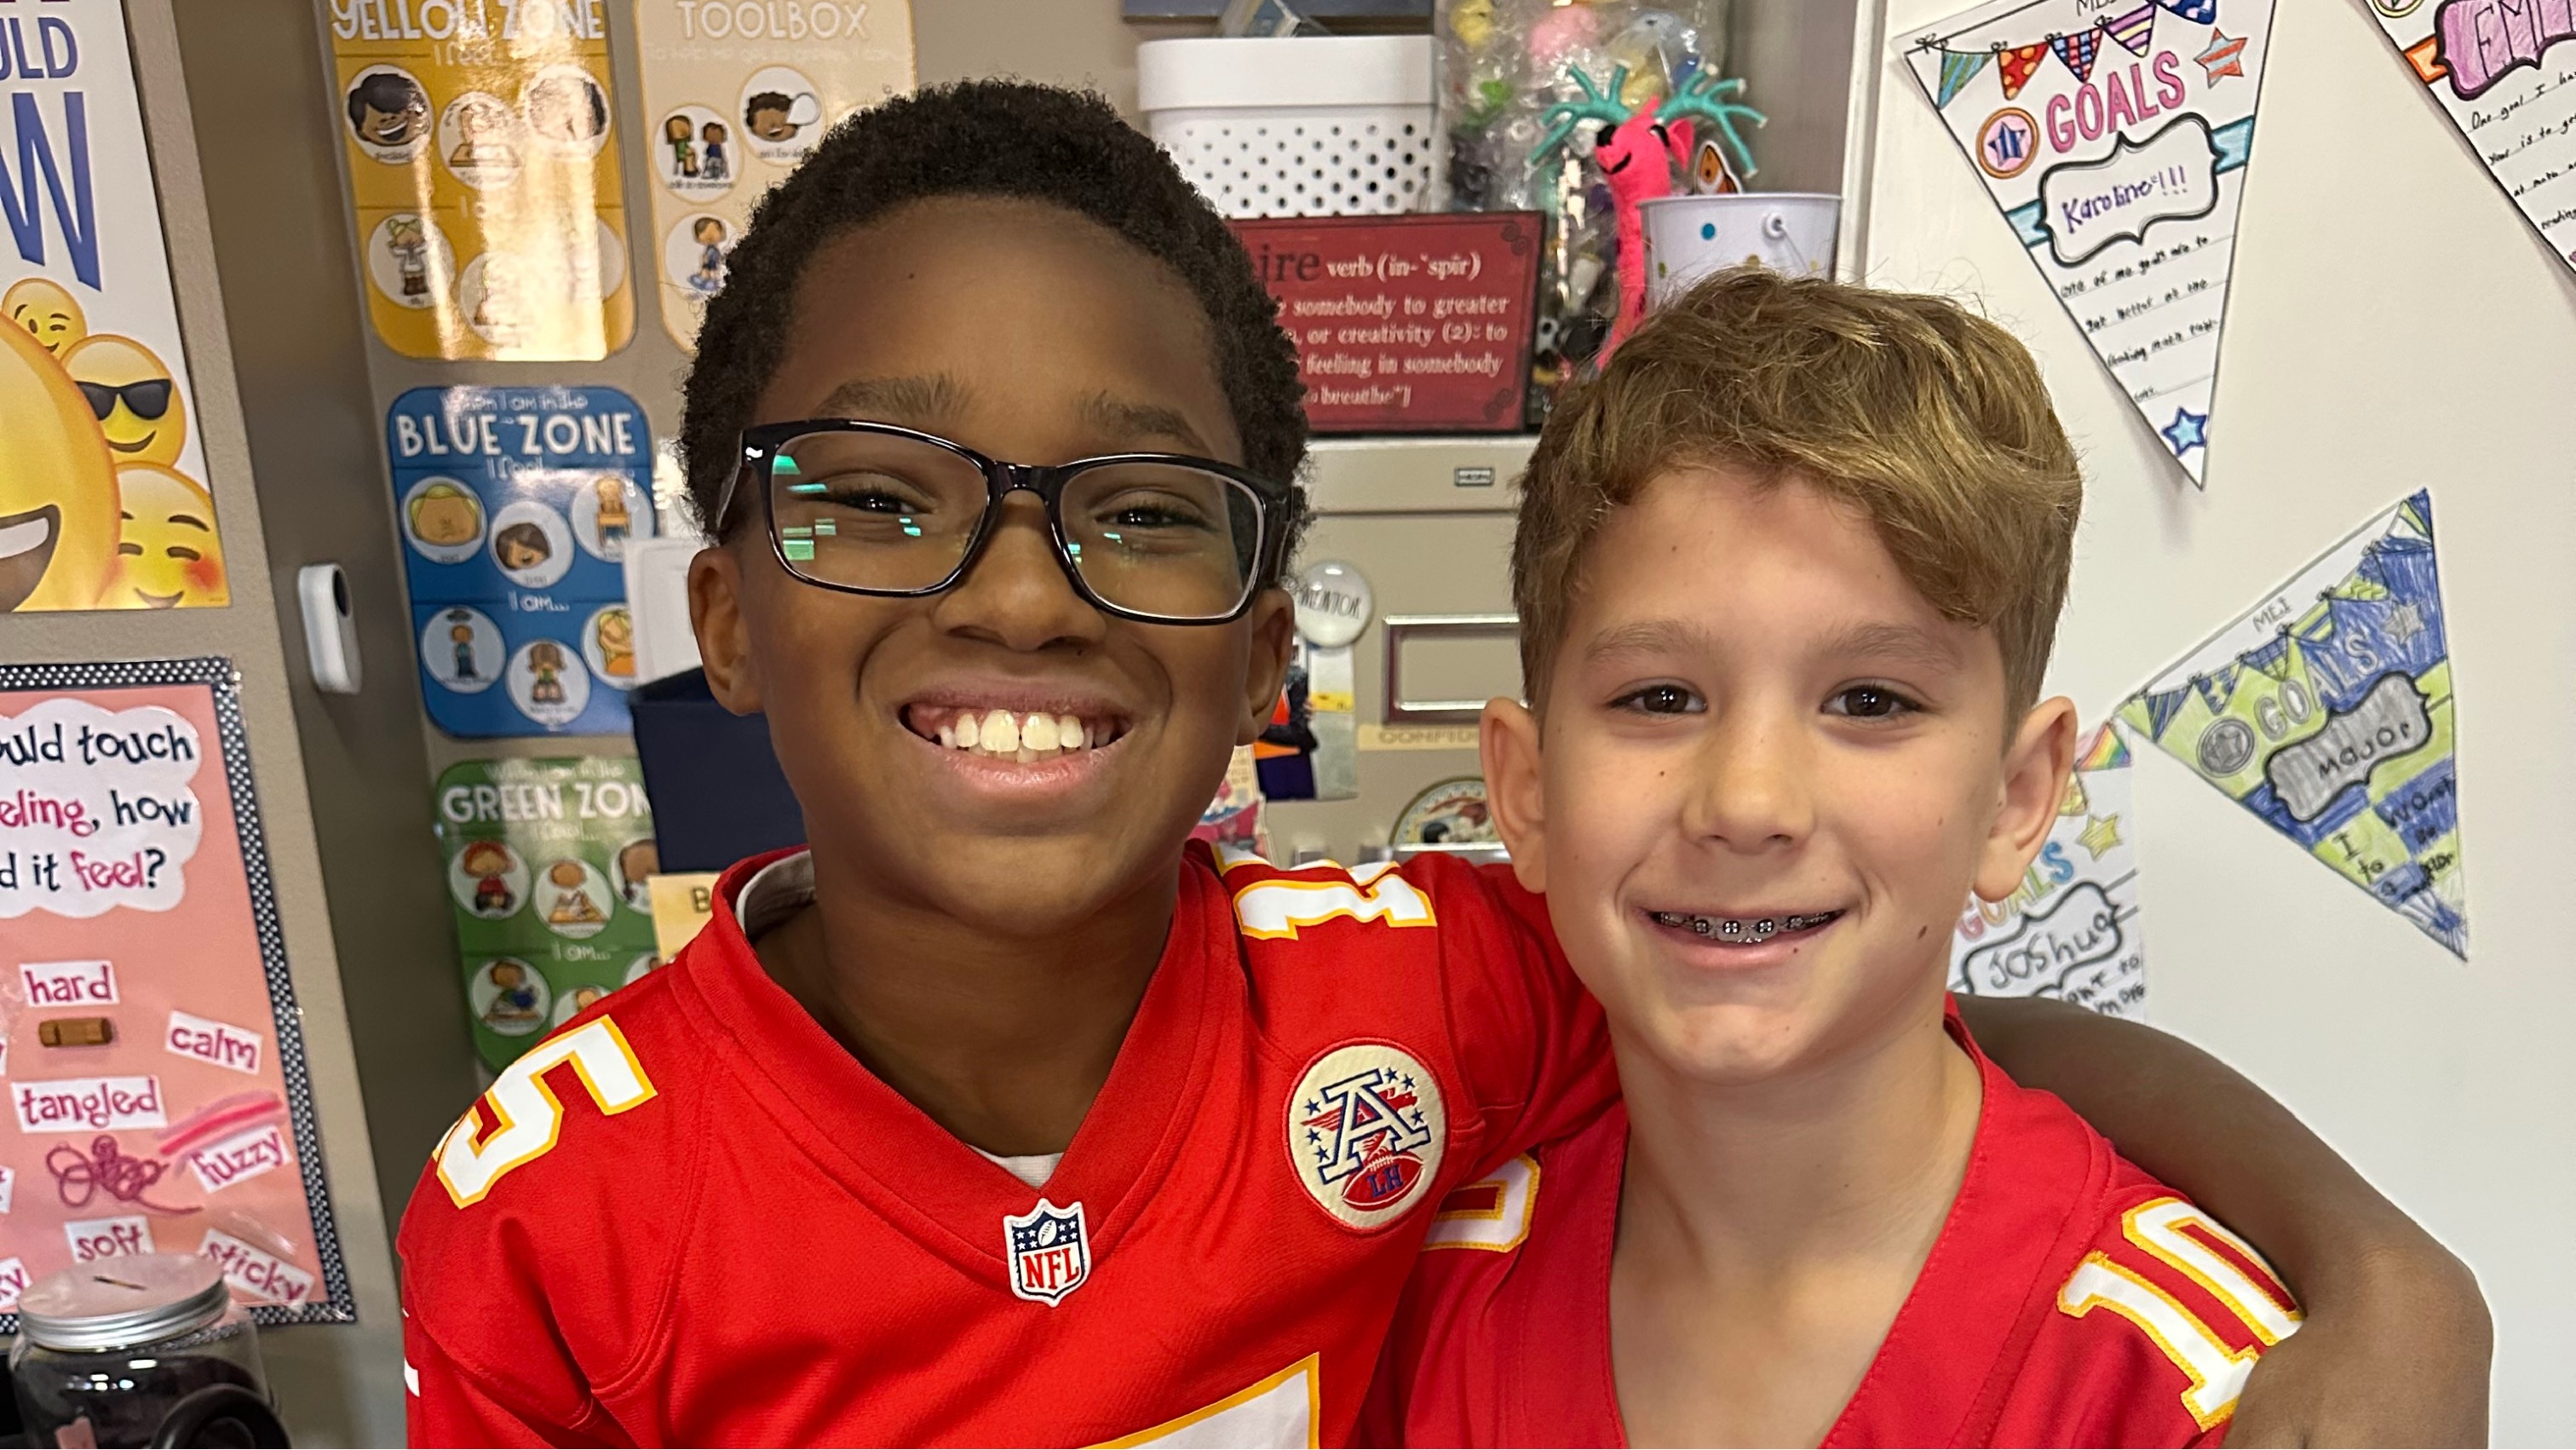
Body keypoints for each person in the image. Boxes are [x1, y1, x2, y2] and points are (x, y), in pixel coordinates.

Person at [396, 82, 2487, 1447]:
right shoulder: (553, 1216)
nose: (1020, 598)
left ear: (1261, 652)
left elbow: (1894, 1013)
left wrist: (2398, 1284)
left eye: (1138, 508)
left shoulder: (1424, 992)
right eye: (875, 491)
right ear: (728, 612)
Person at [1365, 269, 2484, 1447]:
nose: (1748, 802)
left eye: (1868, 698)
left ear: (2015, 798)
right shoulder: (1412, 1290)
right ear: (1526, 791)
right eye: (1659, 695)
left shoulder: (2202, 1398)